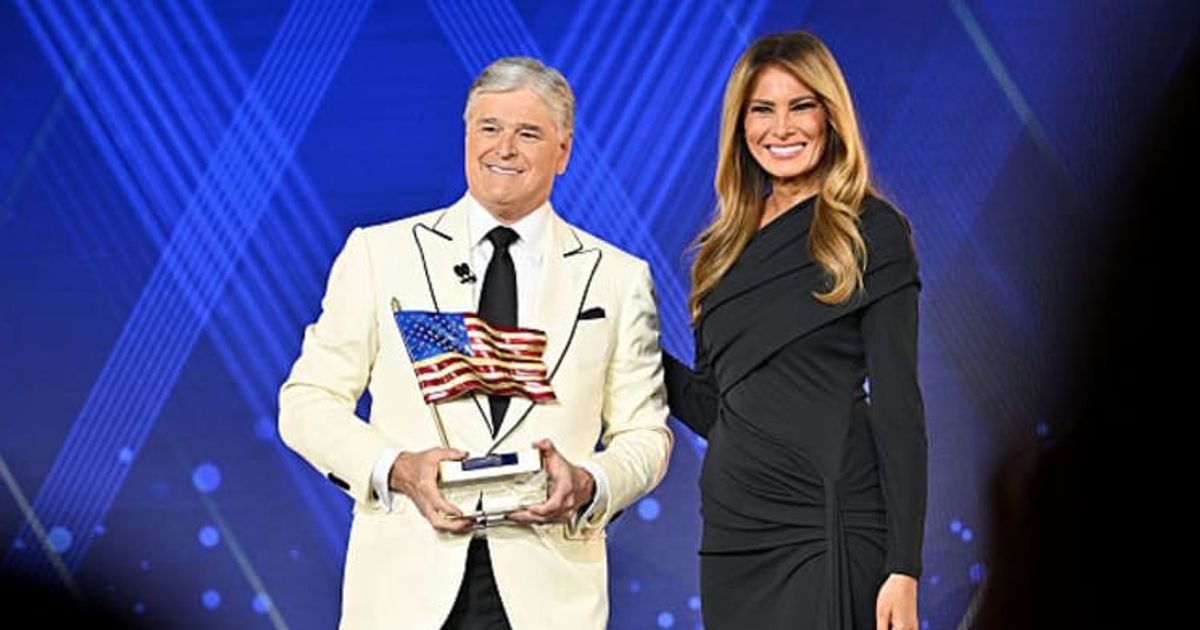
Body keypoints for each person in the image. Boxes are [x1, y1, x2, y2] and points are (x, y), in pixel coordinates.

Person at [278, 56, 673, 630]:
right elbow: (307, 402)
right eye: (489, 128)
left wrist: (590, 483)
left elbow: (646, 433)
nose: (504, 149)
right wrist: (396, 468)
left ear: (563, 152)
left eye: (528, 132)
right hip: (406, 588)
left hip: (550, 589)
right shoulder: (381, 254)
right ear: (467, 137)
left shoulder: (617, 277)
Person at [662, 31, 926, 629]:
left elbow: (899, 411)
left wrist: (904, 568)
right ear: (740, 125)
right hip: (735, 534)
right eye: (763, 109)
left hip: (827, 525)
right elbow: (715, 407)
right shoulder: (721, 251)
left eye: (800, 105)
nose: (781, 128)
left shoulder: (872, 231)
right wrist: (626, 348)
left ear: (830, 117)